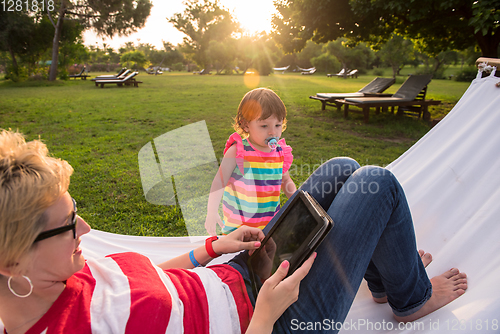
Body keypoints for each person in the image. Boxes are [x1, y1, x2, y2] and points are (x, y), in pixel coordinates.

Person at [0, 129, 467, 334]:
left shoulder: (60, 274)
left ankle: (386, 280)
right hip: (276, 320)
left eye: (75, 209)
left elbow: (139, 279)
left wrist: (211, 248)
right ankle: (410, 298)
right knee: (375, 184)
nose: (84, 226)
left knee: (340, 170)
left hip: (239, 270)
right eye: (67, 225)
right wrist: (264, 316)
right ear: (11, 260)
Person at [204, 88, 296, 236]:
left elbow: (286, 181)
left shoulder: (280, 152)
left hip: (268, 225)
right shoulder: (238, 151)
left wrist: (297, 202)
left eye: (278, 125)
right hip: (238, 228)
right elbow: (219, 182)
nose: (273, 132)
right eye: (264, 126)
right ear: (246, 125)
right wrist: (211, 211)